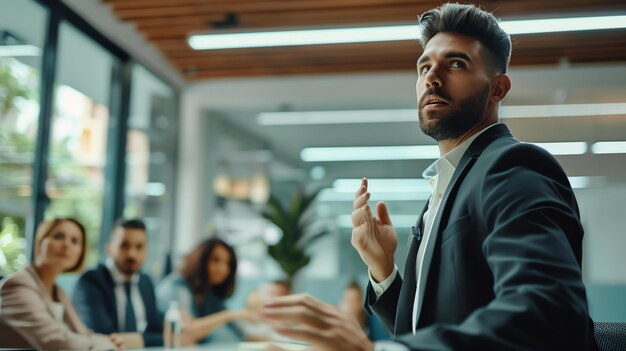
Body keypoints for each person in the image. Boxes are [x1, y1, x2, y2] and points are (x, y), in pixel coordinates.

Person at [262, 3, 598, 350]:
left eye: (456, 64)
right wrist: (383, 271)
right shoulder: (446, 185)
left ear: (497, 89)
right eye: (424, 66)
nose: (432, 78)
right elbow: (427, 326)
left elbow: (550, 312)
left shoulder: (513, 166)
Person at [0, 218, 126, 350]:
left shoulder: (58, 292)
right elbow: (55, 340)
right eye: (58, 236)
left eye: (75, 241)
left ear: (80, 253)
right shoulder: (18, 284)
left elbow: (82, 333)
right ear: (39, 243)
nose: (66, 245)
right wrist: (104, 343)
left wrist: (108, 340)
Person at [73, 218, 182, 346]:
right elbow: (105, 337)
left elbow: (157, 327)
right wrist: (157, 339)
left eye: (139, 247)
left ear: (146, 251)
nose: (132, 254)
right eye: (124, 245)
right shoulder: (90, 281)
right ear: (109, 249)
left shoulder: (145, 282)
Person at [156, 237, 256, 344]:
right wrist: (229, 315)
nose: (222, 269)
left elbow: (239, 332)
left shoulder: (209, 293)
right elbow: (187, 331)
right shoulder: (177, 286)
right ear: (200, 261)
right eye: (215, 260)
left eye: (228, 264)